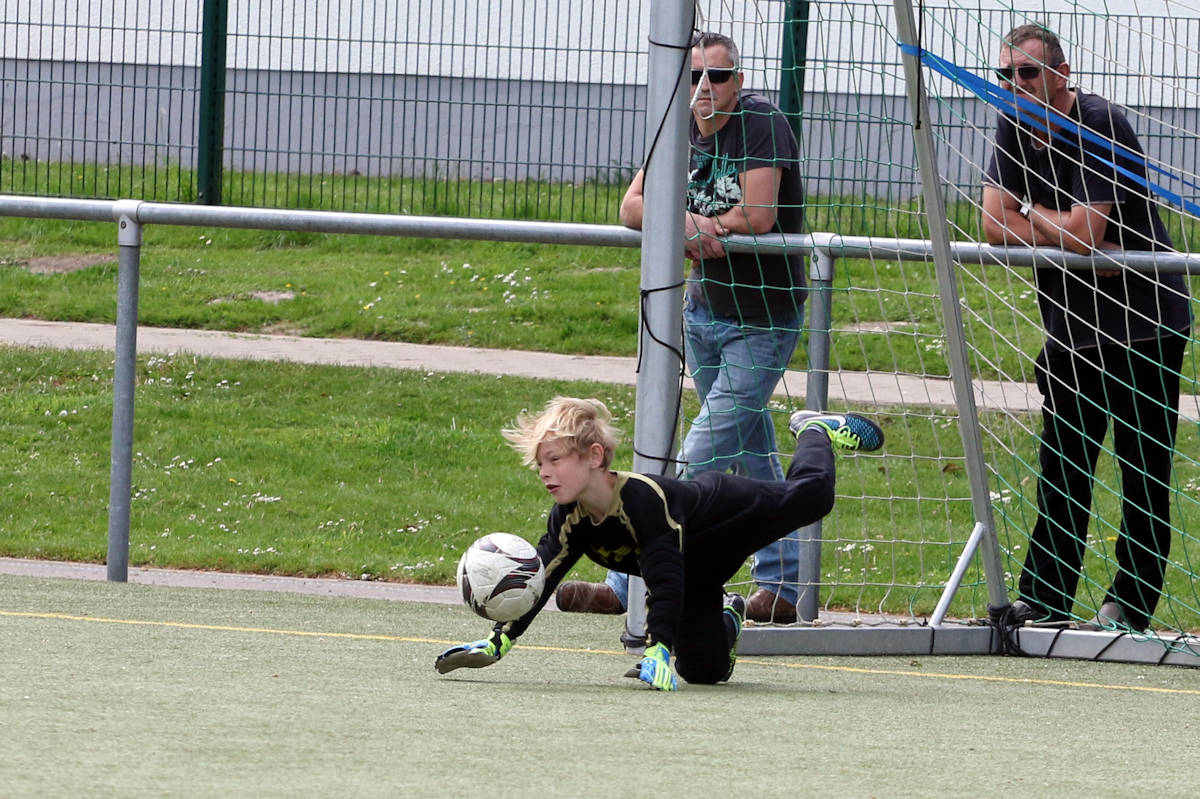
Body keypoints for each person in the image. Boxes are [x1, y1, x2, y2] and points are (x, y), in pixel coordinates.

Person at [555, 30, 808, 623]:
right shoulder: (677, 126)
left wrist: (694, 225)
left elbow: (760, 213)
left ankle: (632, 590)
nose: (703, 89)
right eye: (693, 76)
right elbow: (632, 206)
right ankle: (779, 588)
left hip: (763, 319)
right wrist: (687, 223)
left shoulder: (762, 123)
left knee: (696, 455)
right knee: (750, 450)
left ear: (737, 82)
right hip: (703, 313)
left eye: (717, 77)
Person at [434, 397, 883, 690]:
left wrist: (657, 647)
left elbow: (664, 576)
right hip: (698, 570)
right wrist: (497, 643)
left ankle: (815, 429)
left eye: (554, 459)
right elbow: (541, 577)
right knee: (705, 673)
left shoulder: (641, 499)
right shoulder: (569, 518)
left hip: (727, 517)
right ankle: (730, 613)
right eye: (540, 464)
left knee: (813, 497)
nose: (544, 472)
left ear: (593, 457)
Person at [981, 24, 1191, 631]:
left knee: (1143, 468)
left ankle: (1129, 604)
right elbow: (993, 227)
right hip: (1072, 330)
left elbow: (1085, 236)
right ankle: (1045, 598)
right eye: (1008, 75)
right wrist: (1051, 220)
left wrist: (1033, 211)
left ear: (1061, 74)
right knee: (1064, 464)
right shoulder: (1012, 124)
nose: (1017, 86)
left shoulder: (1099, 122)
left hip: (1144, 324)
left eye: (1029, 73)